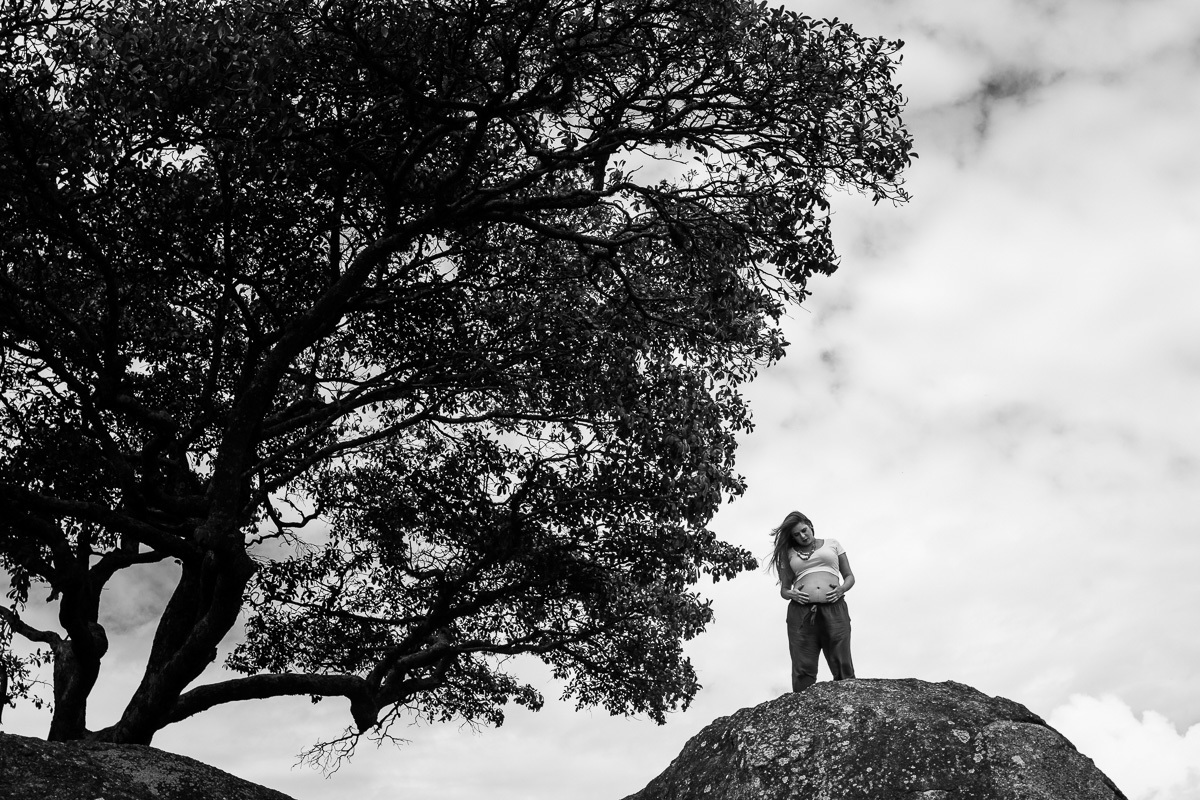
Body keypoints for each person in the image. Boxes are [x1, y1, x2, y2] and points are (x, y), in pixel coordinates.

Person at [770, 510, 856, 692]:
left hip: (835, 607)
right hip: (801, 612)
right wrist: (791, 594)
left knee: (841, 658)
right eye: (796, 535)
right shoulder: (789, 554)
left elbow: (849, 576)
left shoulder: (832, 544)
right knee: (802, 663)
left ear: (810, 526)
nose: (802, 536)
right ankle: (801, 704)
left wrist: (841, 589)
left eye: (804, 530)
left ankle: (848, 700)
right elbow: (784, 590)